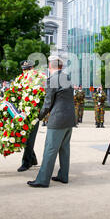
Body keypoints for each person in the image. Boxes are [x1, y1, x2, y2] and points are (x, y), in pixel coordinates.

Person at [27, 56, 76, 188]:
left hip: (58, 120)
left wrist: (39, 116)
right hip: (69, 119)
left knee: (50, 149)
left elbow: (47, 103)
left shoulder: (52, 79)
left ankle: (42, 180)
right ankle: (63, 176)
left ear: (50, 66)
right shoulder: (67, 78)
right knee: (64, 149)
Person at [17, 60, 44, 172]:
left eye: (28, 69)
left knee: (29, 138)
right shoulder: (21, 80)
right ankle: (32, 159)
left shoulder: (39, 81)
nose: (25, 71)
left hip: (33, 114)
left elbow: (43, 98)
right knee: (24, 138)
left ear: (32, 69)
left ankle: (26, 163)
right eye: (24, 69)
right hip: (22, 113)